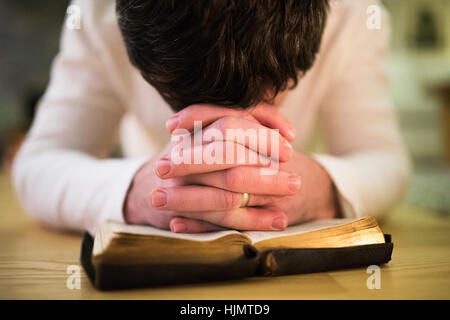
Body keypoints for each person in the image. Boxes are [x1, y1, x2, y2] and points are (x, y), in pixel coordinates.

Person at [12, 0, 411, 236]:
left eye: (258, 105)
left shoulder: (355, 12)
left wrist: (318, 190)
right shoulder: (95, 13)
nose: (225, 133)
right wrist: (136, 194)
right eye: (188, 107)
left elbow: (385, 161)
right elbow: (38, 164)